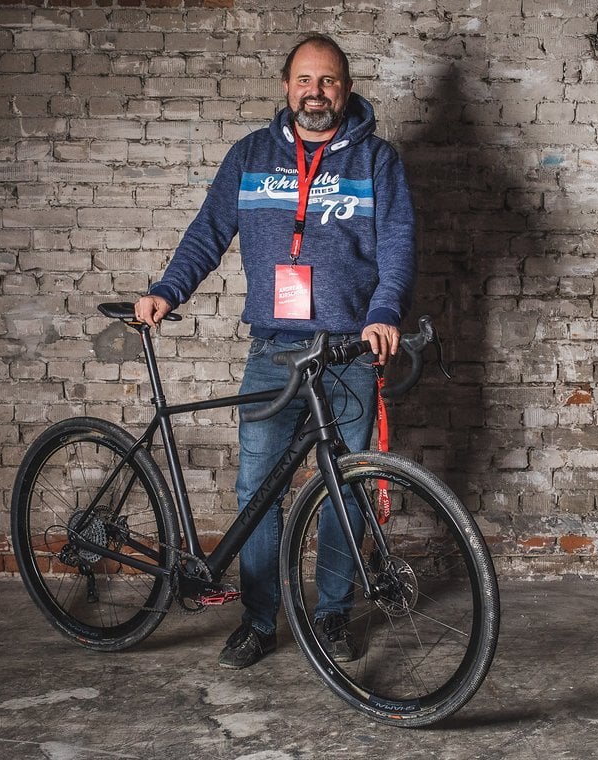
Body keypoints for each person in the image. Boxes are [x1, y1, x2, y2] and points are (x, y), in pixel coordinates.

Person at [135, 33, 416, 669]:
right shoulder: (250, 155)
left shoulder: (378, 162)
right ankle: (260, 620)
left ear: (345, 87)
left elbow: (398, 250)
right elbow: (207, 233)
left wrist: (383, 315)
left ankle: (334, 617)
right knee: (259, 489)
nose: (315, 93)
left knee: (343, 489)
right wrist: (166, 292)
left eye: (328, 82)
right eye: (304, 81)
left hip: (347, 351)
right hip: (274, 349)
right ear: (286, 87)